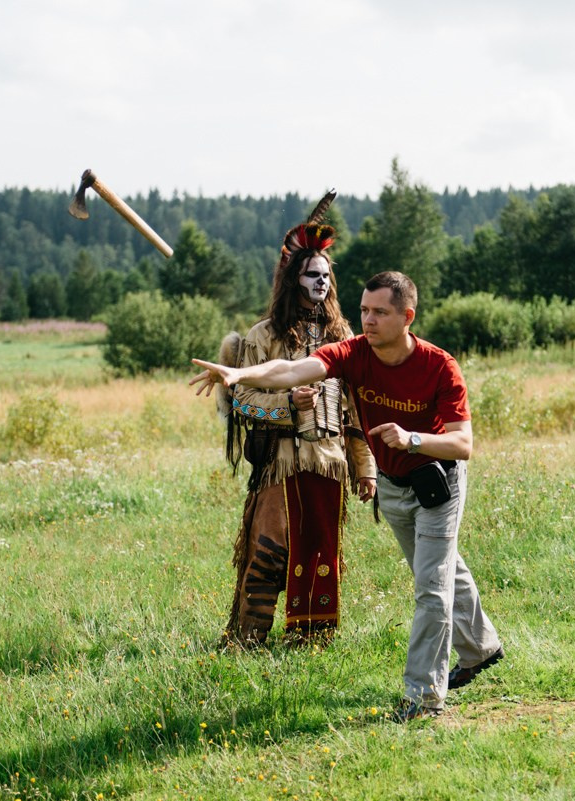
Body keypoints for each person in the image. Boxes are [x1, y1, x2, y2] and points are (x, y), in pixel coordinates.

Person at [192, 271, 504, 721]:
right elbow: (291, 370)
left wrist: (410, 439)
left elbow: (463, 445)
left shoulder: (440, 366)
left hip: (438, 484)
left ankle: (424, 698)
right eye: (364, 310)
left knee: (431, 588)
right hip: (395, 488)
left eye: (380, 312)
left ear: (407, 317)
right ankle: (483, 649)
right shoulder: (356, 353)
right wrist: (240, 372)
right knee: (441, 569)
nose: (368, 320)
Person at [217, 205, 376, 648]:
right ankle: (247, 639)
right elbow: (243, 401)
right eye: (311, 274)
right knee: (270, 550)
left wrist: (364, 468)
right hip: (281, 462)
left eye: (325, 275)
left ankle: (311, 640)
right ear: (293, 279)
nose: (320, 282)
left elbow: (355, 408)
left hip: (328, 460)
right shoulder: (264, 335)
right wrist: (288, 402)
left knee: (320, 552)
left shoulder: (342, 336)